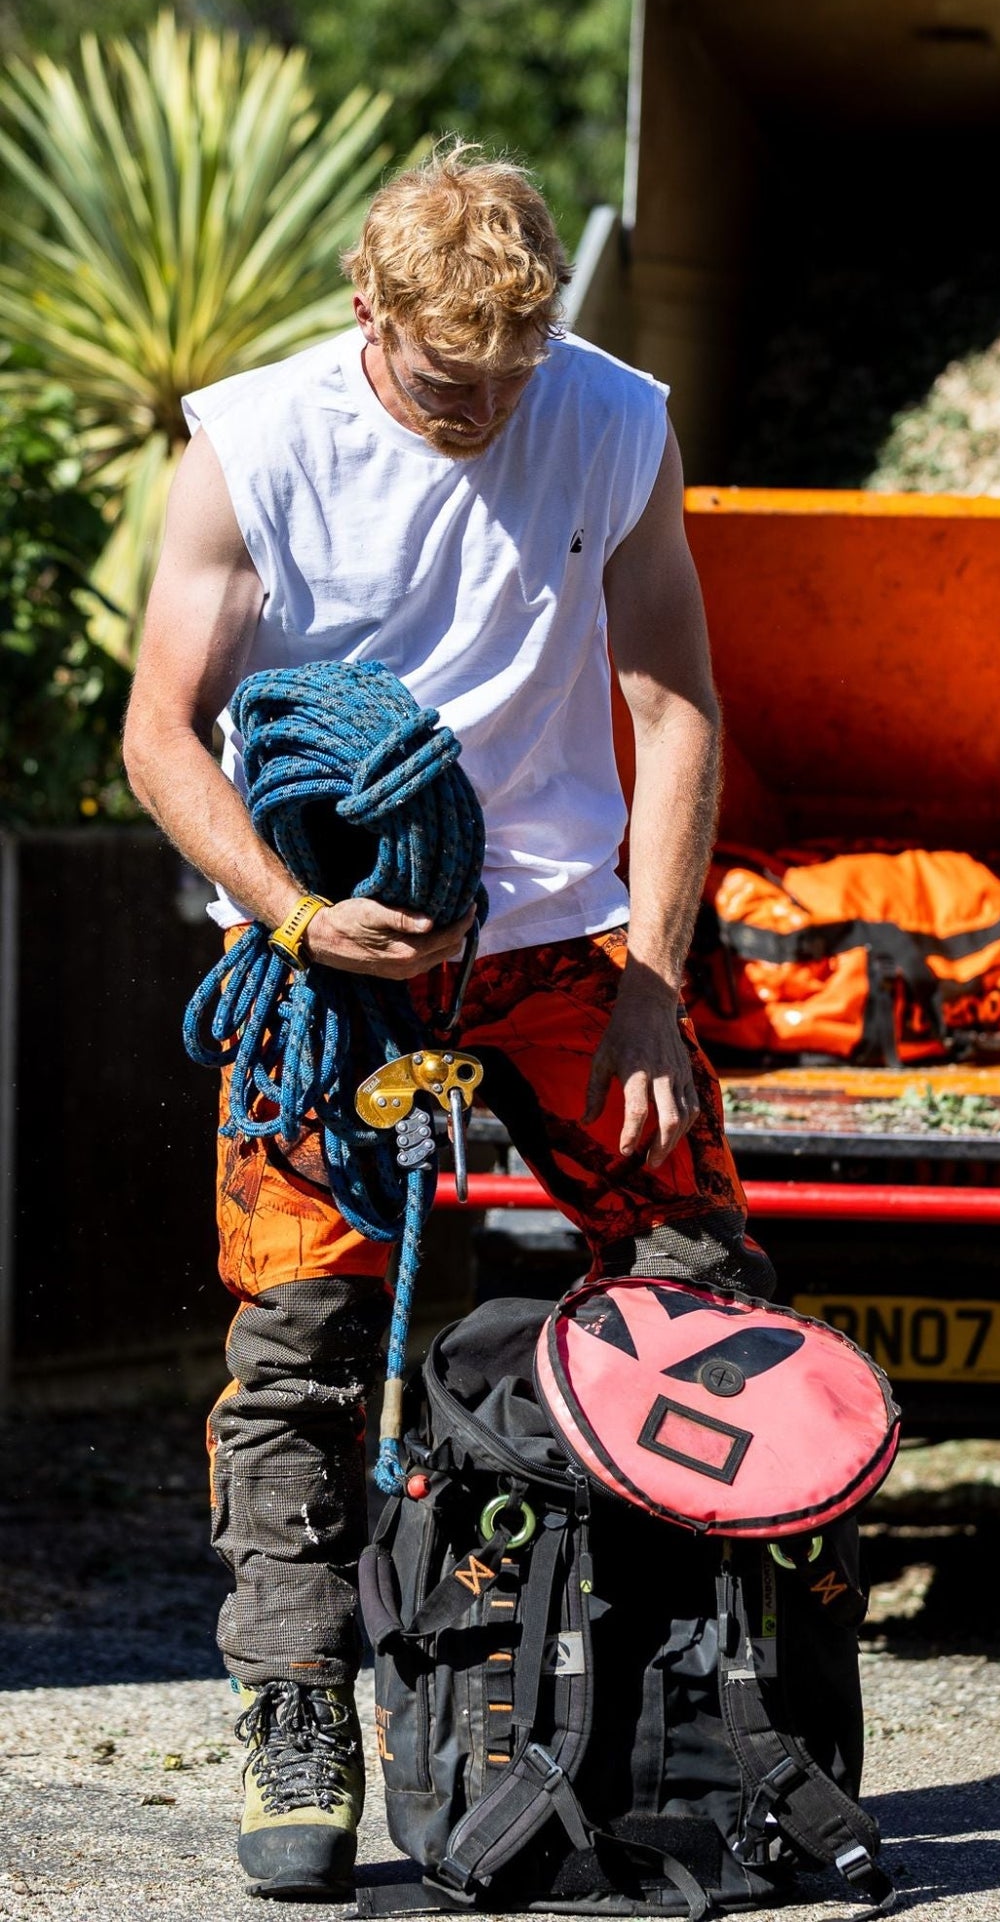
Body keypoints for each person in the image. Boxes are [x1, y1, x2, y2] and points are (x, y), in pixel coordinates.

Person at [123, 143, 762, 1900]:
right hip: (321, 945)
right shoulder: (251, 445)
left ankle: (706, 1682)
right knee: (304, 1341)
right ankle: (296, 1710)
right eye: (440, 376)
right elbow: (162, 731)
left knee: (700, 1281)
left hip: (557, 935)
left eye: (511, 372)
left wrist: (650, 974)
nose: (482, 409)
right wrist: (296, 910)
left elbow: (674, 704)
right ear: (366, 316)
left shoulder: (612, 420)